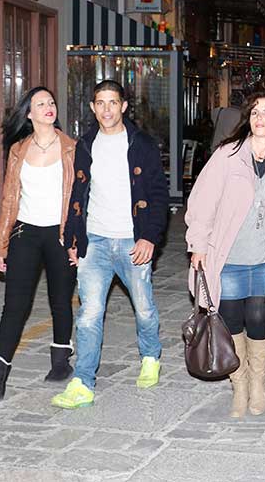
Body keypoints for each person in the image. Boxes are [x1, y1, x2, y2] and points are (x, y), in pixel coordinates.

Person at [51, 80, 169, 410]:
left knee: (143, 307)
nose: (107, 109)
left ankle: (150, 356)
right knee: (89, 314)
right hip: (96, 241)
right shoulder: (85, 145)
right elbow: (77, 195)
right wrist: (73, 239)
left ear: (124, 106)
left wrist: (150, 237)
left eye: (113, 102)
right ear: (92, 107)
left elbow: (158, 195)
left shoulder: (142, 144)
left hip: (132, 239)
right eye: (100, 103)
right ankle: (82, 381)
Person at [0, 87, 78, 401]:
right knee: (15, 305)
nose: (49, 107)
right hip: (25, 234)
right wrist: (0, 245)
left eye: (51, 102)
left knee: (60, 300)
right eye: (40, 104)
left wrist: (76, 240)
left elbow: (80, 201)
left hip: (59, 234)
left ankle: (61, 362)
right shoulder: (18, 150)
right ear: (28, 113)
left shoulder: (72, 148)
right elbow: (8, 200)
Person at [185, 92, 265, 418]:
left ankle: (258, 382)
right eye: (255, 112)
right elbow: (202, 202)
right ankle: (239, 384)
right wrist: (198, 244)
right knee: (230, 322)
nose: (260, 118)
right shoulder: (227, 155)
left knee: (258, 319)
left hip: (264, 259)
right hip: (228, 257)